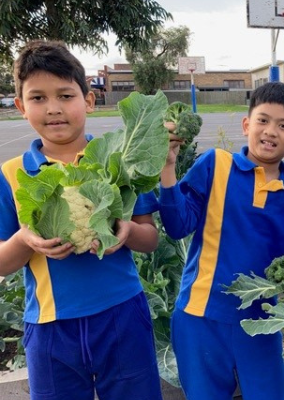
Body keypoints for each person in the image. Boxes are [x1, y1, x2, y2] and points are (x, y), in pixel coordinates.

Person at [0, 40, 163, 400]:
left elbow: (150, 239)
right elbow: (2, 263)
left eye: (65, 96)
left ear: (88, 100)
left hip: (122, 315)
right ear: (21, 106)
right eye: (38, 98)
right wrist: (26, 240)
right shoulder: (12, 175)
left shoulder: (119, 162)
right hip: (49, 327)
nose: (54, 109)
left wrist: (127, 231)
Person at [159, 81, 284, 400]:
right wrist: (168, 167)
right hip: (200, 317)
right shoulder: (215, 165)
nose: (270, 131)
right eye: (263, 120)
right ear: (246, 124)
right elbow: (176, 225)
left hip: (262, 322)